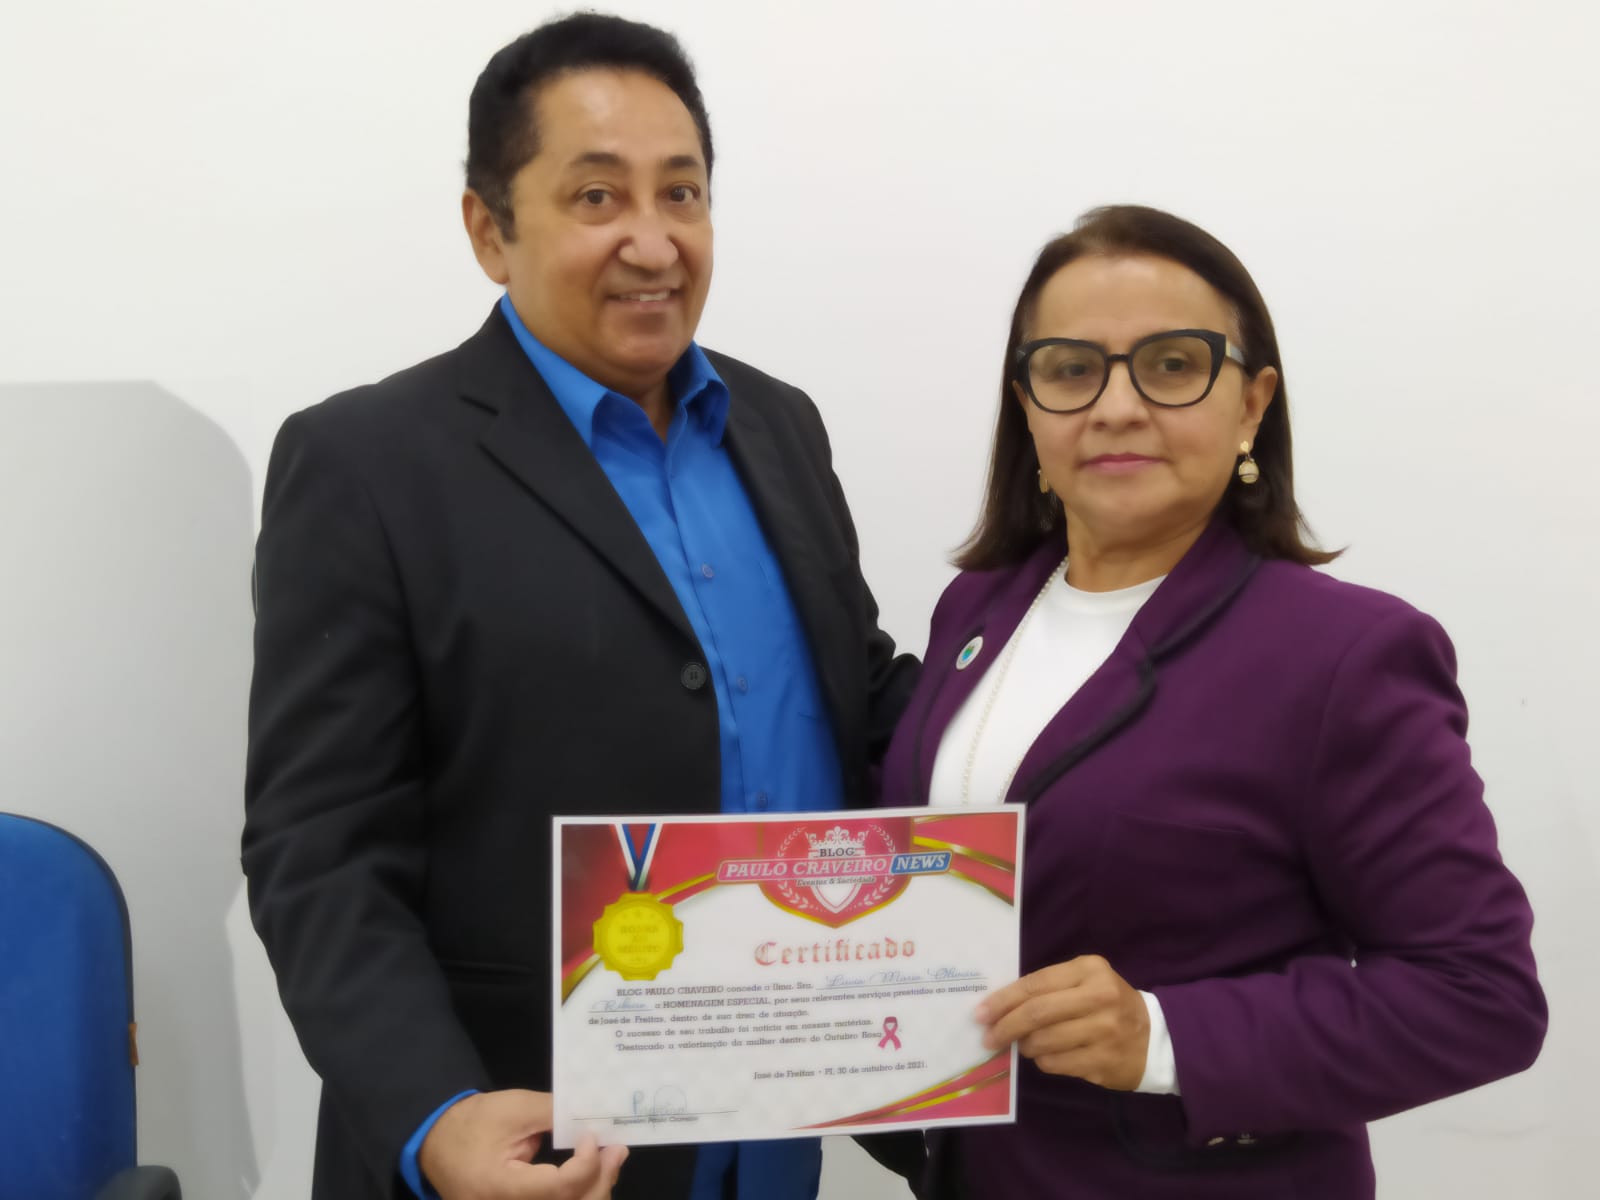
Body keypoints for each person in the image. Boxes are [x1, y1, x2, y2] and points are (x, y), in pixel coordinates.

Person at [242, 14, 920, 1200]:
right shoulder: (366, 464)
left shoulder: (778, 426)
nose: (653, 243)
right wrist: (433, 1116)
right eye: (597, 197)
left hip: (773, 1135)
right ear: (488, 229)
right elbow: (319, 850)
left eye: (682, 193)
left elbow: (852, 700)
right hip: (528, 1151)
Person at [877, 204, 1546, 1198]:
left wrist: (1160, 1037)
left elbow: (1479, 996)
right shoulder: (975, 609)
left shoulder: (1345, 656)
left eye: (1171, 364)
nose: (1115, 407)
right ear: (1026, 405)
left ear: (1251, 403)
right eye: (1070, 369)